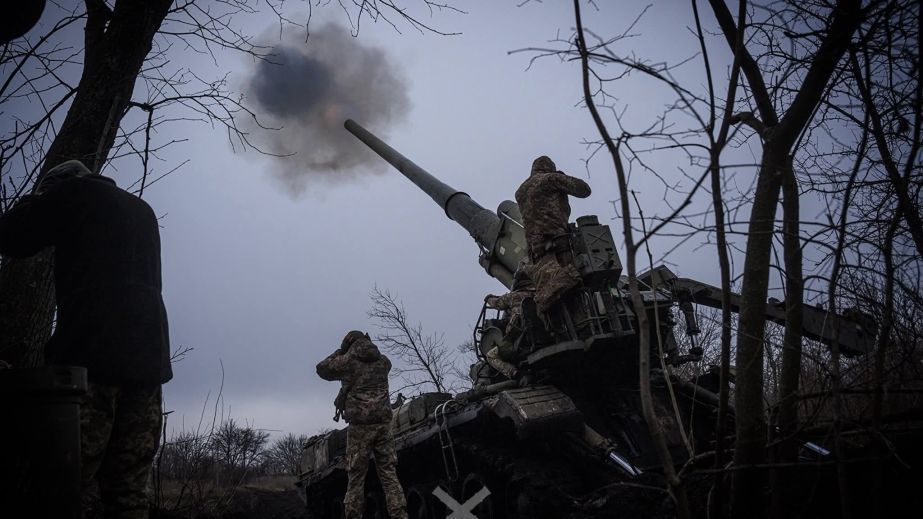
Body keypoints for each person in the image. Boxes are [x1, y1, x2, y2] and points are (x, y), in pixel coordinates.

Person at [0, 160, 172, 519]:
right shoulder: (141, 208)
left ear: (58, 186)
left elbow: (12, 236)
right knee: (128, 491)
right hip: (148, 361)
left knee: (64, 482)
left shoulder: (71, 194)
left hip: (92, 359)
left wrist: (36, 200)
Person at [316, 331, 408, 519]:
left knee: (356, 478)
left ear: (349, 344)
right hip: (383, 425)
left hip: (360, 428)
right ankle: (400, 515)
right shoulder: (383, 361)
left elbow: (322, 369)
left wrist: (339, 352)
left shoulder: (348, 361)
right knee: (389, 474)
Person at [514, 155, 591, 315]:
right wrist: (560, 177)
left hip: (536, 253)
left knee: (553, 295)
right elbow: (584, 190)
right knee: (573, 285)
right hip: (559, 246)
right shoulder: (549, 179)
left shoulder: (520, 191)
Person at [484, 266, 535, 379]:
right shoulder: (538, 293)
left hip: (519, 339)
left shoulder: (513, 296)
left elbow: (497, 303)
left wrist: (488, 298)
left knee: (491, 355)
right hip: (542, 333)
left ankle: (516, 374)